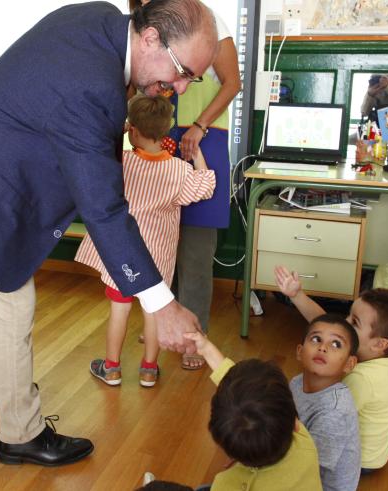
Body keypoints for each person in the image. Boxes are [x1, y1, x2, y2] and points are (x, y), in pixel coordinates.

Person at [0, 0, 218, 466]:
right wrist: (161, 304)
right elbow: (103, 209)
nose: (180, 88)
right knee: (8, 292)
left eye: (193, 79)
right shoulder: (91, 85)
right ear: (149, 38)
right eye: (183, 71)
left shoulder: (102, 18)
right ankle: (19, 433)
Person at [129, 0, 241, 371]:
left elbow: (232, 83)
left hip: (203, 137)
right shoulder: (142, 24)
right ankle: (163, 321)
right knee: (160, 242)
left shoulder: (210, 21)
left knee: (195, 251)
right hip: (160, 134)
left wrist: (200, 126)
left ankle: (196, 337)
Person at [78, 95, 215, 388]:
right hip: (158, 258)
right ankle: (149, 369)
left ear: (132, 129)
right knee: (155, 311)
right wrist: (197, 152)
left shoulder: (123, 163)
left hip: (123, 255)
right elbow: (206, 185)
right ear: (166, 130)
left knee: (119, 309)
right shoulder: (179, 171)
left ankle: (112, 368)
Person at [274, 266, 388, 472]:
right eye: (350, 315)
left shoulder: (360, 380)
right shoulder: (384, 355)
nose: (344, 322)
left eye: (354, 322)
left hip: (359, 461)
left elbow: (328, 416)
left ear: (379, 344)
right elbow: (330, 328)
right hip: (376, 454)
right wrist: (297, 295)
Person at [179, 331, 323, 490]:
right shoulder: (303, 440)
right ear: (295, 423)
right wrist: (206, 348)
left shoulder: (228, 484)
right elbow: (243, 394)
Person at [291, 314, 361, 491]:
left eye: (336, 344)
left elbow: (306, 471)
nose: (323, 347)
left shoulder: (335, 412)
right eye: (316, 339)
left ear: (349, 364)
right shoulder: (296, 382)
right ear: (299, 351)